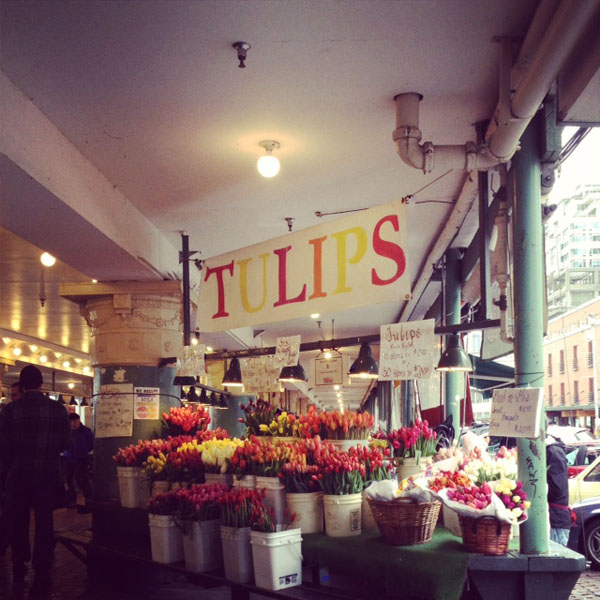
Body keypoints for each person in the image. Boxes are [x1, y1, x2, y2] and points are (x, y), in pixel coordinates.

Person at [0, 365, 71, 596]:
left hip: (18, 476)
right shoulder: (58, 410)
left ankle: (19, 568)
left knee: (18, 523)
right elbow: (66, 445)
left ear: (21, 384)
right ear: (41, 384)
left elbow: (5, 448)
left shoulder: (10, 411)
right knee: (44, 523)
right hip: (48, 476)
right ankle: (42, 570)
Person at [64, 412, 94, 513]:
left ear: (79, 420)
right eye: (71, 422)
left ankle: (89, 499)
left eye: (75, 421)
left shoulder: (86, 431)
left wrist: (84, 451)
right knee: (69, 479)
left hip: (81, 458)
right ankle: (72, 501)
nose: (73, 424)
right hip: (69, 458)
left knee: (81, 478)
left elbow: (91, 444)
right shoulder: (67, 431)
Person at [546, 430, 572, 546]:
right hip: (554, 517)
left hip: (556, 519)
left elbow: (556, 488)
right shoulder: (551, 451)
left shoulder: (553, 452)